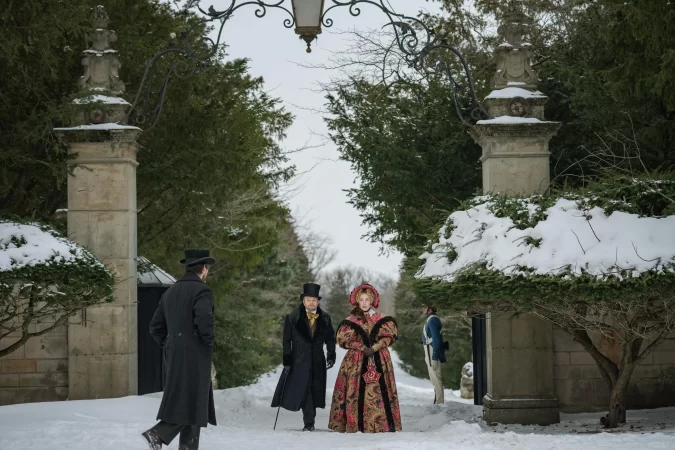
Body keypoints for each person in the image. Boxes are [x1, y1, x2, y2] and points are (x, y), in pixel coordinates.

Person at [141, 249, 217, 450]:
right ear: (203, 268)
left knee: (190, 398)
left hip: (174, 350)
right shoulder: (202, 290)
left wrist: (170, 344)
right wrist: (206, 340)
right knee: (191, 399)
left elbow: (155, 327)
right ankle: (157, 433)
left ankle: (187, 447)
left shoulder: (170, 292)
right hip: (194, 351)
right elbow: (204, 320)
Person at [328, 284, 402, 433]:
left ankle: (381, 424)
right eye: (361, 299)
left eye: (367, 299)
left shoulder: (382, 318)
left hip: (379, 358)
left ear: (372, 300)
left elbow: (389, 338)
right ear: (356, 300)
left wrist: (375, 347)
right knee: (355, 389)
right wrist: (361, 347)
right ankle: (355, 424)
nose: (364, 302)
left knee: (380, 390)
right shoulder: (350, 320)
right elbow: (343, 340)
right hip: (356, 360)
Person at [271, 283, 336, 431]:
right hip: (298, 360)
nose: (311, 302)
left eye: (314, 300)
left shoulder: (325, 318)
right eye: (308, 300)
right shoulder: (292, 318)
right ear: (303, 301)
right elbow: (286, 340)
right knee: (304, 390)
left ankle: (309, 422)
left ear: (318, 301)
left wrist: (331, 355)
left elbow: (330, 339)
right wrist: (287, 359)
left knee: (313, 390)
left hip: (317, 361)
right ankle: (309, 422)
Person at [422, 305, 446, 404]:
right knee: (434, 379)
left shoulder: (432, 320)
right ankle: (438, 401)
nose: (423, 309)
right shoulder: (431, 319)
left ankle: (439, 402)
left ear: (430, 308)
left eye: (425, 307)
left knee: (436, 378)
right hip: (429, 349)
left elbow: (436, 340)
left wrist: (434, 357)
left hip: (431, 350)